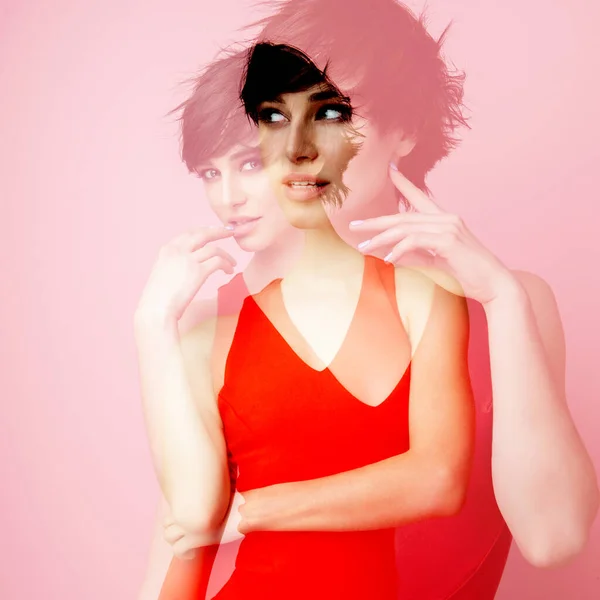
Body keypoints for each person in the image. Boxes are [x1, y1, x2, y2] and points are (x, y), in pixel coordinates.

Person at [136, 1, 599, 598]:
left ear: (404, 130)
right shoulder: (222, 319)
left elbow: (553, 537)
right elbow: (178, 544)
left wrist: (504, 300)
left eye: (332, 112)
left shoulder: (507, 306)